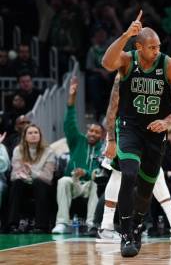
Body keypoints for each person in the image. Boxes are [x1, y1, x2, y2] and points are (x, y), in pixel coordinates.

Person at [101, 10, 171, 257]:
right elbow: (107, 63)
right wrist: (125, 35)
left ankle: (138, 225)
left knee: (145, 186)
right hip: (130, 128)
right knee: (128, 174)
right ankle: (125, 232)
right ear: (139, 46)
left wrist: (169, 120)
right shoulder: (128, 60)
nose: (156, 50)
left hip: (156, 133)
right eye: (151, 47)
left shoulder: (167, 64)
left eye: (158, 46)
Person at [98, 74, 171, 242]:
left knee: (156, 173)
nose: (155, 50)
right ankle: (106, 226)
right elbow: (112, 107)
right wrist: (111, 139)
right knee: (119, 174)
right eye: (151, 46)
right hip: (125, 130)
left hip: (144, 133)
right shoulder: (126, 70)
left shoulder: (159, 71)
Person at [51, 77, 104, 235]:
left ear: (101, 136)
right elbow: (69, 124)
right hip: (74, 182)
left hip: (89, 184)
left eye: (96, 132)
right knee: (63, 180)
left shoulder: (103, 148)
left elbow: (99, 170)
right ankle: (62, 223)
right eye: (90, 130)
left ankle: (91, 223)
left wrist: (86, 173)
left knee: (97, 182)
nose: (92, 133)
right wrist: (71, 100)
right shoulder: (77, 141)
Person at [8, 124, 55, 233]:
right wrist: (28, 176)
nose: (33, 135)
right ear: (24, 136)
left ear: (40, 135)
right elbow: (14, 175)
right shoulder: (18, 150)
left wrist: (31, 171)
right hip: (24, 183)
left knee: (39, 182)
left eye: (35, 132)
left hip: (43, 185)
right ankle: (12, 225)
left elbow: (47, 177)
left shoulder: (49, 152)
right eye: (30, 133)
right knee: (17, 183)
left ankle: (41, 226)